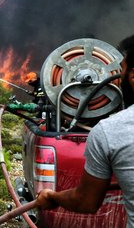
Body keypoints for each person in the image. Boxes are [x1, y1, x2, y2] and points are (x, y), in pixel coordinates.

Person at [36, 34, 134, 226]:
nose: (116, 76)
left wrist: (52, 197)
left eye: (120, 69)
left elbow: (86, 201)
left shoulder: (110, 131)